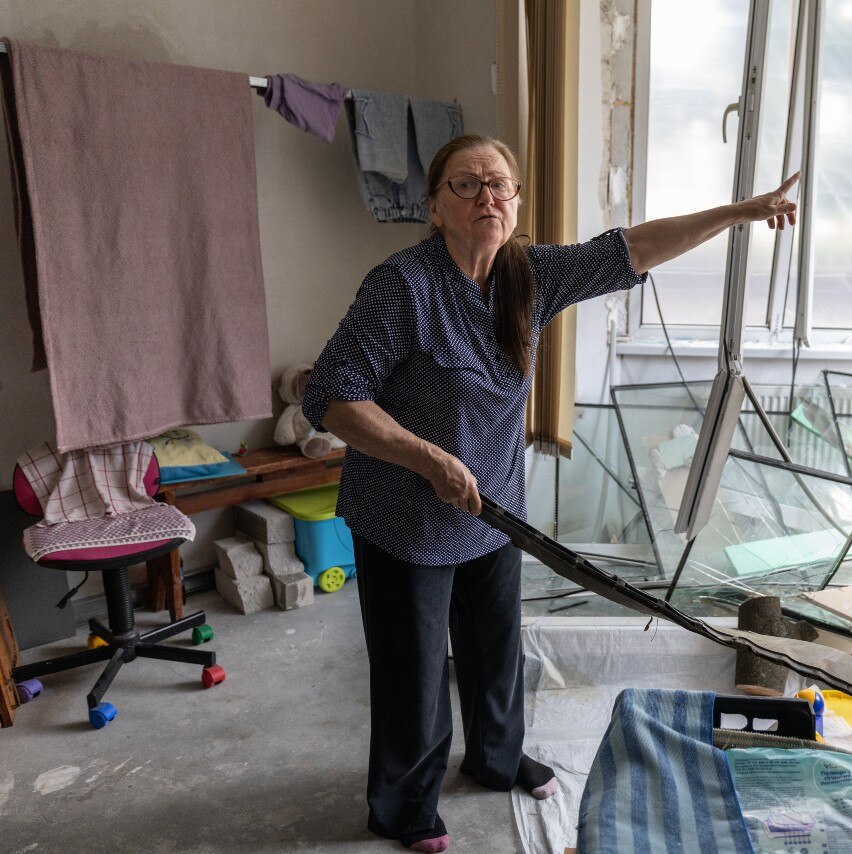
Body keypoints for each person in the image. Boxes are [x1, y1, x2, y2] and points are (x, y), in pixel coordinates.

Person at [302, 133, 798, 852]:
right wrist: (425, 457)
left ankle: (497, 761)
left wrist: (742, 211)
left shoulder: (528, 276)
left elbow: (633, 249)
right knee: (413, 675)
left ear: (516, 202)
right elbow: (331, 394)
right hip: (405, 519)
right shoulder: (402, 286)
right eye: (467, 185)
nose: (488, 197)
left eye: (500, 184)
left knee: (496, 653)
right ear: (435, 207)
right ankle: (403, 803)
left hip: (493, 509)